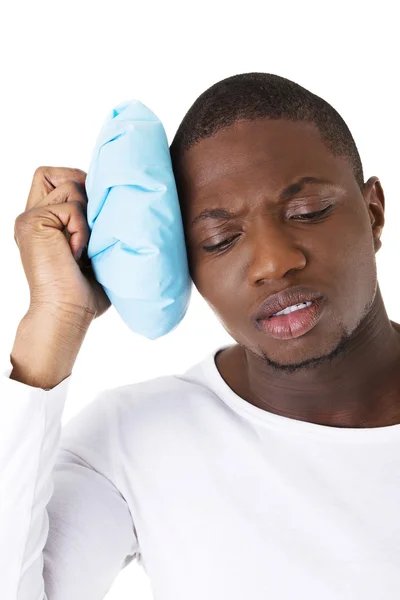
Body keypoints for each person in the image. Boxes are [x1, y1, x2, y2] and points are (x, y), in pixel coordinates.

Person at [2, 73, 400, 599]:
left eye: (307, 212)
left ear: (373, 212)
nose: (273, 263)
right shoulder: (132, 439)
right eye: (219, 239)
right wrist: (53, 319)